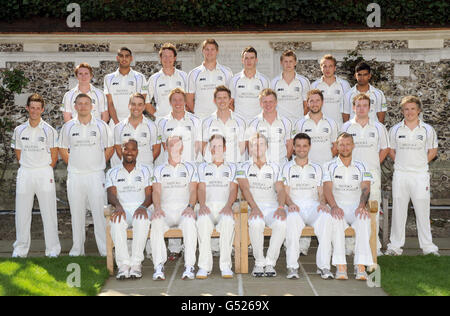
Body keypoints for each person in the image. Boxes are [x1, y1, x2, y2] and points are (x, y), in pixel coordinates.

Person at [59, 93, 114, 257]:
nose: (83, 106)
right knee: (77, 214)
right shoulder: (68, 127)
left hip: (96, 176)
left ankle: (105, 251)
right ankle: (77, 250)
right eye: (80, 104)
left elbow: (110, 147)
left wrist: (98, 162)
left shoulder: (101, 126)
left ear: (92, 106)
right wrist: (74, 164)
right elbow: (62, 149)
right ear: (75, 106)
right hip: (75, 176)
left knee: (99, 214)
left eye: (86, 103)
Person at [386, 96, 439, 256]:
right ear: (402, 111)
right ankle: (395, 247)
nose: (409, 112)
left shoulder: (428, 130)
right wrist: (402, 164)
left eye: (412, 109)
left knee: (423, 211)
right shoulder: (395, 129)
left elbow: (433, 151)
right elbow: (391, 151)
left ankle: (428, 247)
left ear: (419, 110)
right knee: (398, 211)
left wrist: (420, 164)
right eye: (406, 109)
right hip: (401, 175)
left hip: (420, 176)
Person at [11, 93, 61, 258]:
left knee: (49, 213)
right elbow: (19, 155)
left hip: (44, 172)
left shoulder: (50, 130)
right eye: (32, 107)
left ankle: (53, 250)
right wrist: (29, 166)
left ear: (42, 110)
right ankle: (20, 250)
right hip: (25, 172)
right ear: (27, 108)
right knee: (22, 213)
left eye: (37, 108)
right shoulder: (19, 130)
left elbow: (54, 157)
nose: (34, 111)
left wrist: (42, 170)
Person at [156, 87, 202, 259]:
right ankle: (174, 248)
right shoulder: (161, 122)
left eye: (180, 100)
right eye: (174, 100)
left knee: (189, 209)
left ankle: (189, 247)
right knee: (171, 204)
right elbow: (162, 147)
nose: (177, 103)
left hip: (189, 170)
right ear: (170, 102)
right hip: (171, 170)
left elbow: (198, 146)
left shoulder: (196, 121)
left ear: (185, 102)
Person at [283, 133, 336, 280]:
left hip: (312, 206)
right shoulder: (286, 168)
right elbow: (285, 193)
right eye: (298, 146)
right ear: (293, 147)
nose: (301, 149)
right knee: (292, 220)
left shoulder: (317, 168)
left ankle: (324, 266)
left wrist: (323, 203)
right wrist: (291, 204)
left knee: (326, 217)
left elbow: (321, 192)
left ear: (309, 147)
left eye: (305, 146)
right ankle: (292, 266)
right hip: (295, 206)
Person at [341, 93, 389, 255]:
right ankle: (350, 245)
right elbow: (341, 149)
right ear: (353, 107)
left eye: (364, 105)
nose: (361, 109)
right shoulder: (346, 127)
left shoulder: (378, 127)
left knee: (372, 210)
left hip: (372, 175)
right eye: (358, 105)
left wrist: (375, 164)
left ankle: (374, 246)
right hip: (351, 175)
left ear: (369, 108)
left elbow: (385, 148)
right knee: (352, 208)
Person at [323, 132, 374, 281]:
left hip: (356, 206)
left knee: (364, 220)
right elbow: (327, 188)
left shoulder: (363, 165)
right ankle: (341, 265)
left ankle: (360, 266)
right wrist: (333, 206)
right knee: (337, 220)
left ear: (353, 146)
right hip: (338, 206)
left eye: (347, 144)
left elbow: (366, 188)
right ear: (337, 146)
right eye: (341, 144)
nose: (345, 147)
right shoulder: (329, 165)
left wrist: (361, 206)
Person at [237, 133, 287, 277]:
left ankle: (270, 262)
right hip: (252, 206)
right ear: (249, 148)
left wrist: (281, 207)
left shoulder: (275, 167)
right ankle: (259, 262)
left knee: (282, 223)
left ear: (267, 147)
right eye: (253, 144)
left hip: (272, 206)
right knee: (256, 224)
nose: (257, 147)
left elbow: (280, 189)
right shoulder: (242, 167)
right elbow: (245, 188)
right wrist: (254, 207)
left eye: (261, 144)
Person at [150, 135, 199, 280]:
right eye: (171, 145)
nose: (174, 148)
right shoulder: (159, 169)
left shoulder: (190, 167)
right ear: (166, 148)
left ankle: (189, 266)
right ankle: (158, 266)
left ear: (182, 148)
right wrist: (157, 208)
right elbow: (156, 191)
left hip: (184, 210)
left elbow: (193, 190)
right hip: (165, 210)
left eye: (177, 145)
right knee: (156, 222)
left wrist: (190, 206)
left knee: (190, 222)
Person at [106, 139, 153, 280]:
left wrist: (143, 206)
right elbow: (110, 194)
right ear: (121, 151)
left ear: (137, 151)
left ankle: (136, 263)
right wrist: (118, 206)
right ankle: (123, 265)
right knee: (116, 222)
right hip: (123, 209)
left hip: (141, 207)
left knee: (142, 219)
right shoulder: (112, 172)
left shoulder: (146, 170)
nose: (129, 152)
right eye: (126, 149)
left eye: (133, 149)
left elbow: (150, 194)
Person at [196, 134, 238, 279]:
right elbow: (201, 189)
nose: (216, 149)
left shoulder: (232, 167)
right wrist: (201, 205)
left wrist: (228, 205)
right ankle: (204, 266)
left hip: (224, 207)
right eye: (213, 146)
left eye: (220, 146)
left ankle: (225, 266)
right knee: (201, 222)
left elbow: (233, 189)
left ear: (225, 148)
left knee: (228, 221)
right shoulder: (202, 167)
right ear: (209, 148)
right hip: (207, 207)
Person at [186, 39, 233, 119]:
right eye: (207, 49)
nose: (209, 52)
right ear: (203, 51)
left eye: (212, 49)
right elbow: (189, 99)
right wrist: (198, 113)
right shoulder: (193, 73)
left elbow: (231, 98)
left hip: (221, 118)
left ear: (217, 51)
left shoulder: (227, 72)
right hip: (200, 118)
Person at [246, 88, 293, 165]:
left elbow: (290, 145)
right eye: (265, 102)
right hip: (261, 167)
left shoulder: (286, 122)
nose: (268, 105)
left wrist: (284, 161)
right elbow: (250, 147)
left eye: (271, 101)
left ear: (276, 102)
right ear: (260, 103)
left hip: (281, 166)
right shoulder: (253, 123)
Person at [293, 89, 338, 167]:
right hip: (307, 167)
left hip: (326, 167)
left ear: (322, 102)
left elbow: (335, 146)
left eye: (317, 100)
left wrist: (327, 159)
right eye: (311, 101)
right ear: (307, 103)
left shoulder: (331, 123)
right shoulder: (299, 123)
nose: (315, 104)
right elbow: (295, 147)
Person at [114, 93, 160, 168]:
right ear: (129, 105)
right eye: (133, 104)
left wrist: (146, 163)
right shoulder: (118, 127)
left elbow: (157, 149)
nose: (136, 108)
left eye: (140, 104)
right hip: (127, 171)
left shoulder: (153, 126)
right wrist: (129, 163)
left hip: (147, 170)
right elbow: (118, 150)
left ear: (144, 107)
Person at [202, 85, 246, 164]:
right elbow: (204, 146)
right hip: (213, 166)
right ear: (214, 101)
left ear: (230, 100)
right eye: (219, 98)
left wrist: (234, 161)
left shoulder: (240, 121)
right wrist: (212, 162)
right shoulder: (206, 122)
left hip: (234, 166)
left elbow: (242, 146)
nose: (222, 101)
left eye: (225, 98)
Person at [104, 47, 147, 126]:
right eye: (121, 56)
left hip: (135, 121)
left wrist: (133, 120)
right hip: (115, 122)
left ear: (131, 58)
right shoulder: (108, 78)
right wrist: (117, 123)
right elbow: (110, 103)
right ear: (117, 58)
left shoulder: (140, 77)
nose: (124, 58)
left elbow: (142, 101)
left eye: (127, 56)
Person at [145, 43, 187, 118]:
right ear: (160, 58)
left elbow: (191, 99)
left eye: (170, 56)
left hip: (182, 121)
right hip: (162, 124)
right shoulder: (153, 78)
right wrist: (158, 116)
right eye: (164, 56)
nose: (167, 59)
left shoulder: (184, 76)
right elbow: (144, 100)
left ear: (175, 58)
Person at [230, 46, 270, 122]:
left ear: (256, 60)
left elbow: (268, 103)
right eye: (246, 58)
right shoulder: (234, 80)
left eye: (252, 58)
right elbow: (230, 104)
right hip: (239, 123)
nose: (249, 61)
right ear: (242, 60)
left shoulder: (264, 80)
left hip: (258, 122)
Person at [311, 54, 351, 128]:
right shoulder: (314, 86)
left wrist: (347, 127)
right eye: (325, 66)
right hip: (320, 127)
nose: (327, 69)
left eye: (330, 66)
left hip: (338, 127)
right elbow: (311, 107)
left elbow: (348, 108)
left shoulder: (344, 85)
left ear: (335, 68)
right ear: (321, 68)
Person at [271, 50, 310, 122]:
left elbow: (306, 106)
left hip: (297, 122)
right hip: (280, 123)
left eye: (291, 61)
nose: (288, 64)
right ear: (281, 63)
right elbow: (271, 105)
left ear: (295, 62)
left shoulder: (304, 81)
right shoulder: (274, 82)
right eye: (285, 61)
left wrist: (301, 121)